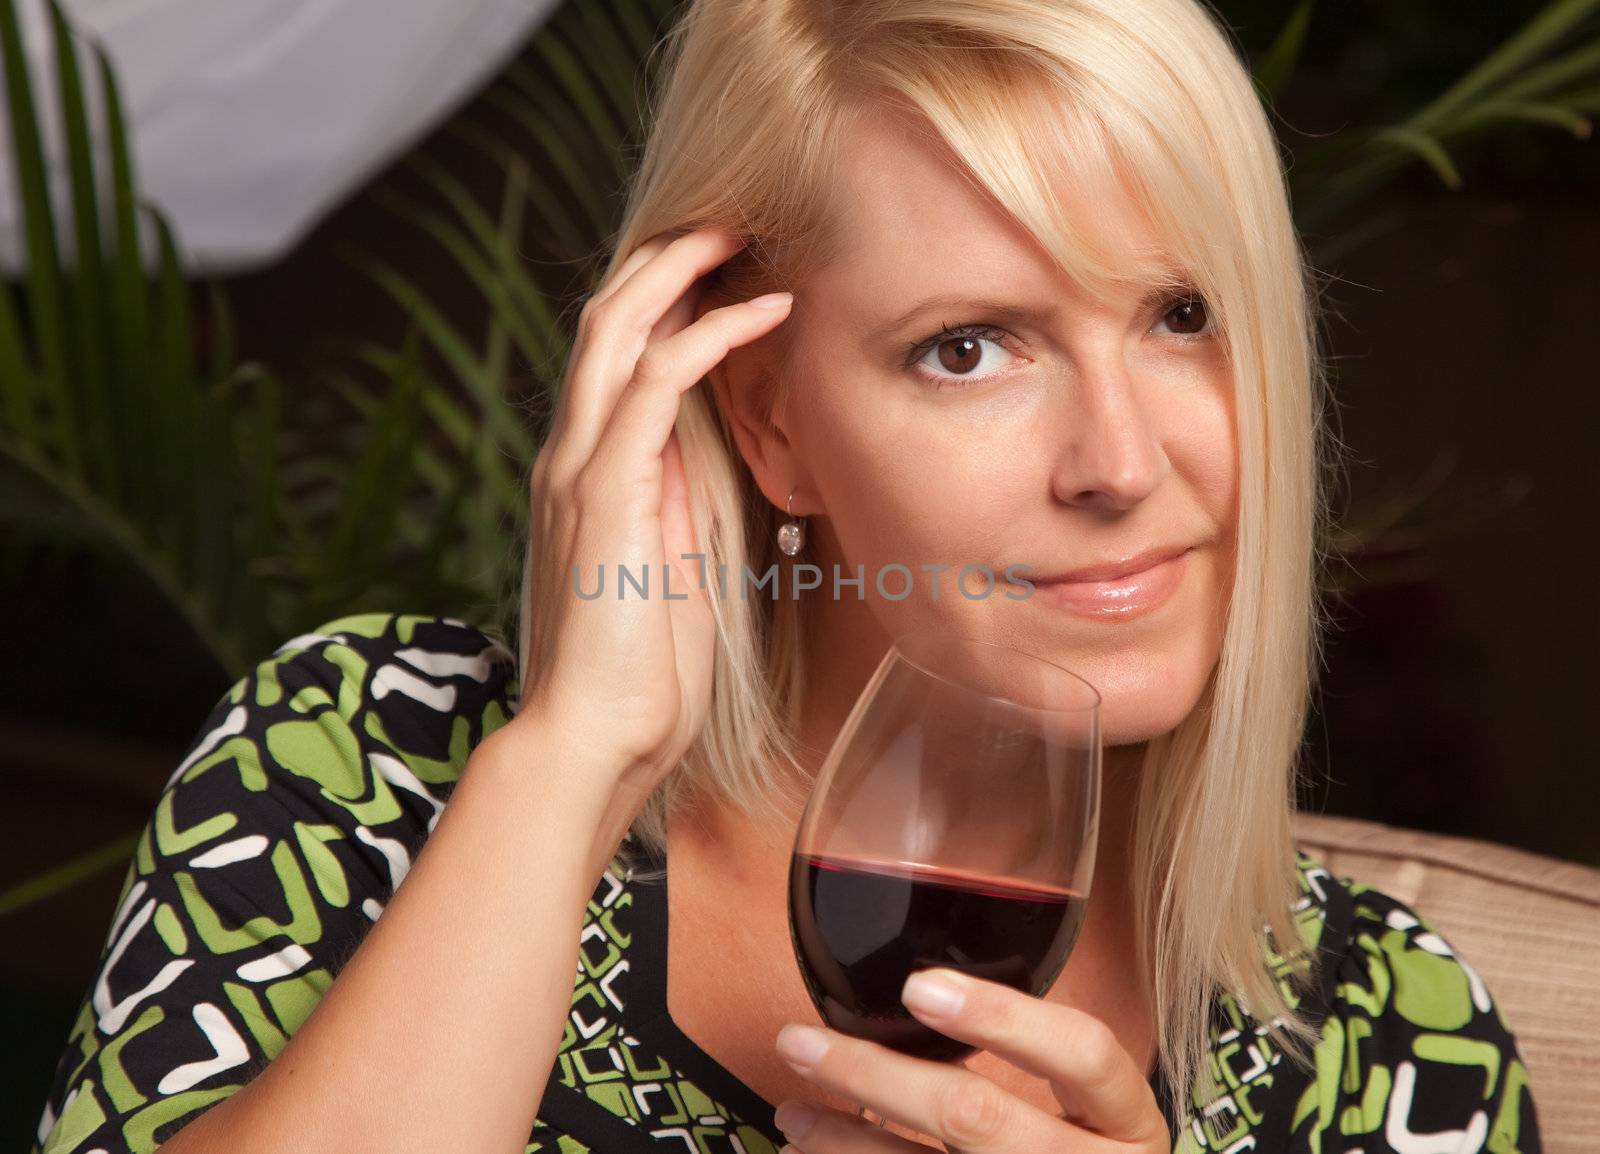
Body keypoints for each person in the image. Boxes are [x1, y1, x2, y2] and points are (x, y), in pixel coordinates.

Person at [33, 0, 1542, 1152]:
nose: (1123, 460)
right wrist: (572, 759)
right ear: (767, 420)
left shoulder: (1393, 1041)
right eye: (970, 346)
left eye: (1182, 313)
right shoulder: (360, 758)